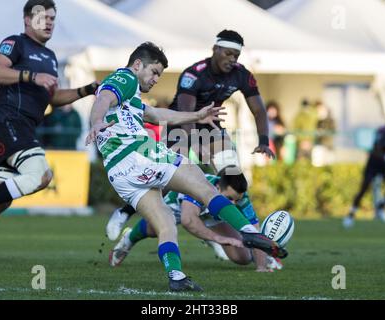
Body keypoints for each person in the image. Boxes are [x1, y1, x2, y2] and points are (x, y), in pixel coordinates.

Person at [85, 42, 287, 291]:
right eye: (155, 72)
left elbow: (159, 115)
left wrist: (197, 116)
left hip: (119, 173)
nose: (157, 79)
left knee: (166, 223)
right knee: (201, 182)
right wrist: (96, 121)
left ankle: (176, 276)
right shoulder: (126, 78)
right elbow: (103, 98)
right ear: (138, 65)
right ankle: (249, 231)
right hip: (139, 152)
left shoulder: (131, 100)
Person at [107, 29, 275, 241]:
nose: (232, 59)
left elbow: (259, 109)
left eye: (236, 55)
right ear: (215, 49)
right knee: (165, 183)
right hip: (180, 125)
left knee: (233, 176)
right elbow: (185, 111)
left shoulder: (242, 75)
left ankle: (237, 229)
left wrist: (263, 141)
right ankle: (125, 212)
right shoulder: (194, 74)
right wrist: (194, 143)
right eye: (228, 53)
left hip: (211, 126)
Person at [0, 0, 99, 264]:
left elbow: (52, 98)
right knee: (41, 176)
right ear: (27, 20)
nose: (49, 22)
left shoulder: (49, 58)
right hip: (7, 122)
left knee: (1, 200)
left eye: (52, 18)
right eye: (43, 17)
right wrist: (31, 76)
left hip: (17, 126)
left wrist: (87, 90)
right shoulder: (15, 43)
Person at [108, 166, 283, 273]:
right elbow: (188, 220)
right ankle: (129, 238)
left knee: (242, 258)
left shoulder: (242, 198)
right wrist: (219, 239)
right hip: (178, 208)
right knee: (155, 230)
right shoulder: (201, 185)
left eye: (237, 199)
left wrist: (261, 265)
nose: (234, 203)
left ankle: (263, 259)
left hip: (211, 216)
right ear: (216, 187)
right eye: (229, 198)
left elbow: (255, 231)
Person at [343, 111, 385, 228]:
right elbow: (376, 149)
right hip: (374, 162)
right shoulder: (382, 131)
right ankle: (351, 214)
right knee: (364, 188)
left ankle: (380, 207)